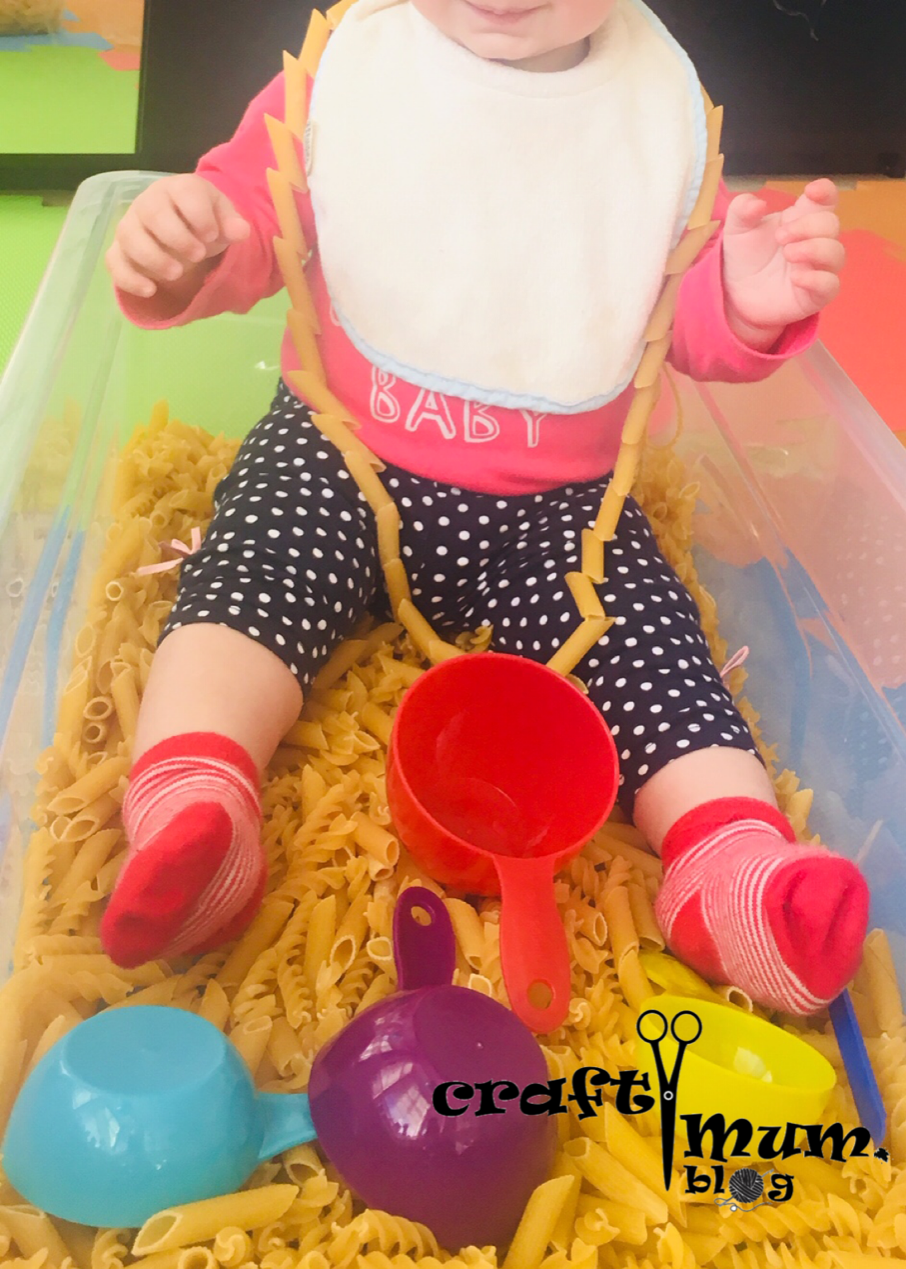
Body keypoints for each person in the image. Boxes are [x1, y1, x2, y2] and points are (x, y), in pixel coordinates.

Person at [100, 0, 868, 1017]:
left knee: (651, 639)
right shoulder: (351, 66)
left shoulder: (653, 107)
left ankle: (729, 864)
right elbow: (257, 210)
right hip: (342, 449)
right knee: (245, 577)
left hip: (562, 508)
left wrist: (741, 300)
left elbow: (670, 313)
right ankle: (195, 800)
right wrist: (194, 239)